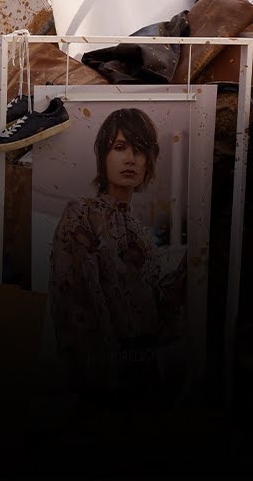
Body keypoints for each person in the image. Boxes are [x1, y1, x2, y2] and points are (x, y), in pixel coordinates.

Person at [49, 107, 186, 390]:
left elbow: (156, 305)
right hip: (101, 370)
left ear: (149, 161)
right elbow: (71, 300)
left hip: (146, 368)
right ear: (104, 156)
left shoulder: (140, 232)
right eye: (120, 147)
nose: (130, 159)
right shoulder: (81, 214)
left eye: (140, 150)